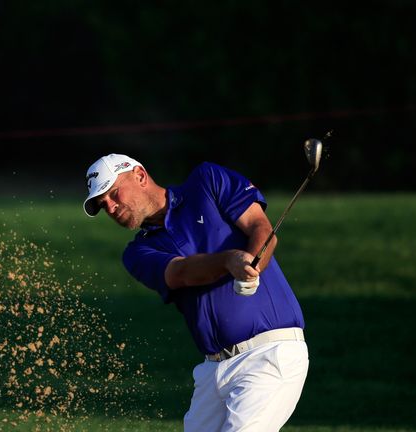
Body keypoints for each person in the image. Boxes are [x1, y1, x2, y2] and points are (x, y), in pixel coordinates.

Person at [83, 153, 309, 431]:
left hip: (268, 354)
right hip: (213, 371)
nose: (111, 207)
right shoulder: (137, 253)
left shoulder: (208, 180)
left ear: (140, 175)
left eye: (113, 193)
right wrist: (229, 261)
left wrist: (253, 264)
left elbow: (260, 228)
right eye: (103, 205)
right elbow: (181, 273)